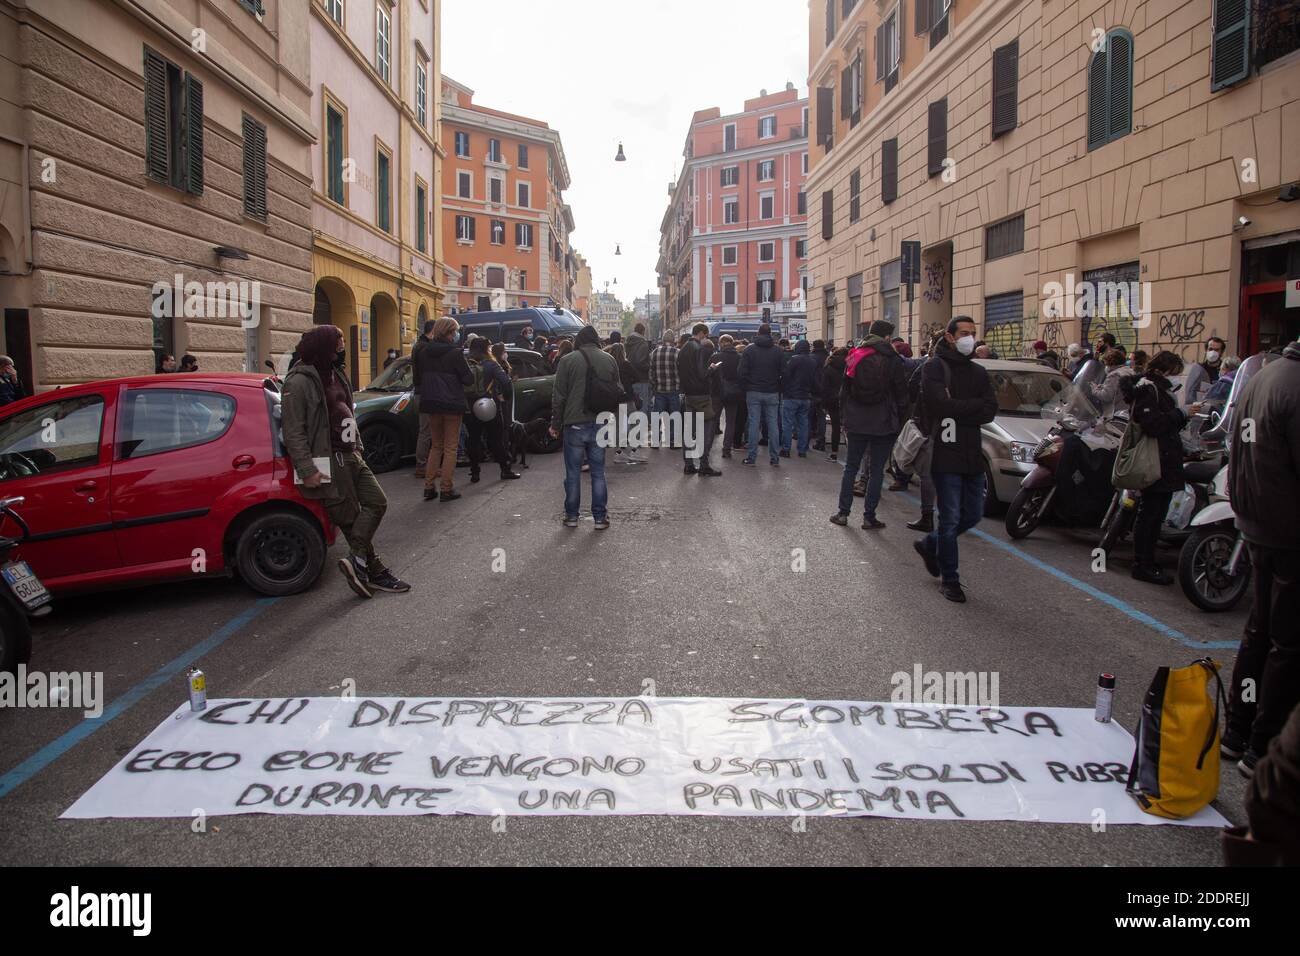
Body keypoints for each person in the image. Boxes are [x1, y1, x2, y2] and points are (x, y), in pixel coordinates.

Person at [281, 325, 410, 598]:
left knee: (377, 502)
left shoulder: (336, 373)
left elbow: (347, 411)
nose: (342, 348)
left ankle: (358, 561)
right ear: (323, 347)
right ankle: (375, 571)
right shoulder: (299, 381)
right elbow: (293, 430)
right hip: (327, 458)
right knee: (348, 518)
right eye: (338, 344)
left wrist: (359, 446)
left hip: (351, 452)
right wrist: (307, 469)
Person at [1223, 336, 1300, 775]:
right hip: (1289, 532)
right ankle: (1261, 745)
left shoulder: (1262, 375)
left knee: (1259, 632)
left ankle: (1237, 730)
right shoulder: (1291, 384)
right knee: (1287, 644)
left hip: (1258, 525)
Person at [913, 316, 998, 603]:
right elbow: (939, 405)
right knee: (949, 519)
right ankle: (951, 579)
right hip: (945, 453)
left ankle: (930, 544)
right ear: (949, 337)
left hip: (972, 453)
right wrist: (970, 407)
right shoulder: (934, 368)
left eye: (973, 333)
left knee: (972, 515)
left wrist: (957, 407)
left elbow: (989, 410)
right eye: (964, 333)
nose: (970, 338)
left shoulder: (978, 372)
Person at [831, 320, 908, 531]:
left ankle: (843, 513)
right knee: (876, 471)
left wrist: (845, 416)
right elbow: (902, 394)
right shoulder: (893, 359)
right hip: (884, 422)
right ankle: (869, 517)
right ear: (887, 337)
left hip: (856, 420)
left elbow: (843, 392)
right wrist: (900, 421)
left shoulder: (855, 355)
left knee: (851, 468)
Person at [1119, 350, 1187, 585]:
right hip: (1156, 460)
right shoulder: (1150, 390)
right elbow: (1154, 425)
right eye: (1176, 373)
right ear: (1163, 371)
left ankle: (1147, 562)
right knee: (1150, 514)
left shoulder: (1155, 389)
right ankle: (1143, 564)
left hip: (1163, 459)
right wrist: (1181, 414)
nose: (1178, 378)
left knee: (1154, 514)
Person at [550, 325, 620, 529]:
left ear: (578, 341)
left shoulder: (567, 360)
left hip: (574, 423)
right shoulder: (609, 359)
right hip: (600, 422)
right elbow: (618, 390)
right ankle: (600, 518)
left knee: (573, 472)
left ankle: (572, 516)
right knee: (598, 472)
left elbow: (559, 396)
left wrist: (555, 423)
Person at [418, 317, 473, 503]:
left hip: (431, 402)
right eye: (455, 331)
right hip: (451, 404)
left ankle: (428, 487)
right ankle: (446, 489)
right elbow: (468, 379)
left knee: (436, 445)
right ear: (450, 332)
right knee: (450, 447)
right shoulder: (455, 353)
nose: (457, 334)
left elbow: (418, 378)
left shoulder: (424, 352)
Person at [465, 336, 520, 483]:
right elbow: (506, 382)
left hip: (471, 408)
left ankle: (475, 472)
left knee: (474, 440)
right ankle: (505, 470)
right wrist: (505, 397)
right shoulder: (491, 364)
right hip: (490, 406)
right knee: (496, 440)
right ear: (486, 349)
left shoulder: (466, 363)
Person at [738, 323, 785, 467]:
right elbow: (785, 372)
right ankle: (775, 458)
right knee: (773, 424)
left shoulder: (749, 350)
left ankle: (752, 457)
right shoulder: (778, 351)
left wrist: (746, 387)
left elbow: (741, 372)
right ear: (770, 333)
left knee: (753, 423)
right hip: (772, 391)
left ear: (758, 333)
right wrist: (778, 387)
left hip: (753, 391)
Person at [679, 323, 720, 476]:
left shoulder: (683, 349)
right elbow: (702, 374)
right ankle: (704, 465)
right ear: (702, 333)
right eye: (706, 335)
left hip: (688, 394)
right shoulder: (699, 349)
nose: (706, 338)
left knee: (689, 430)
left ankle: (689, 465)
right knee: (707, 430)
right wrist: (712, 369)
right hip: (701, 394)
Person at [780, 339, 820, 458]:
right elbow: (814, 380)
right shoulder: (813, 362)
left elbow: (786, 376)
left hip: (791, 396)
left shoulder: (794, 359)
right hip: (805, 396)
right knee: (803, 424)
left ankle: (786, 449)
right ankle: (802, 450)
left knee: (787, 423)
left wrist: (783, 388)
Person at [710, 334, 744, 459]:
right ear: (731, 343)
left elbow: (709, 374)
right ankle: (726, 449)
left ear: (720, 343)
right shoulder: (739, 358)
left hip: (717, 393)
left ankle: (707, 449)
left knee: (713, 421)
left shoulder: (715, 357)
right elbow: (742, 375)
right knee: (731, 422)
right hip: (734, 393)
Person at [411, 319, 437, 479]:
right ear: (433, 330)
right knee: (426, 431)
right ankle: (422, 466)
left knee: (427, 430)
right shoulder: (424, 348)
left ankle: (425, 465)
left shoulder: (419, 345)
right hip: (425, 392)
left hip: (421, 392)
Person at [1086, 344, 1135, 418]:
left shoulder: (1114, 375)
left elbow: (1106, 396)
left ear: (1111, 363)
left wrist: (1094, 389)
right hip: (1126, 410)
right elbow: (1117, 389)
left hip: (1115, 413)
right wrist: (1103, 387)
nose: (1105, 366)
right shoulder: (1128, 370)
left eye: (1105, 363)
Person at [649, 331, 681, 442]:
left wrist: (654, 383)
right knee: (674, 416)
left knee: (656, 415)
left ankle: (655, 440)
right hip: (674, 389)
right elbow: (681, 371)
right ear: (673, 341)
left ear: (663, 340)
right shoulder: (677, 353)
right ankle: (672, 440)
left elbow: (650, 372)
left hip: (659, 389)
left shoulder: (654, 353)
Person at [821, 347, 847, 461]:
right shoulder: (850, 366)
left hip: (832, 400)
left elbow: (825, 388)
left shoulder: (829, 367)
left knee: (835, 426)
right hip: (847, 400)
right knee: (849, 427)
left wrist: (824, 405)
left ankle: (834, 452)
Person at [625, 322, 652, 416]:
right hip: (641, 378)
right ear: (643, 331)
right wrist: (649, 365)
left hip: (630, 378)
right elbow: (640, 362)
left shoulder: (628, 342)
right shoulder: (642, 343)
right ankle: (641, 428)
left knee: (633, 406)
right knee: (642, 405)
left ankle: (634, 428)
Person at [809, 339, 830, 450]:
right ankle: (821, 440)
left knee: (808, 416)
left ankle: (806, 439)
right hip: (825, 391)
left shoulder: (811, 358)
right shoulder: (828, 357)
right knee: (822, 417)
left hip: (812, 391)